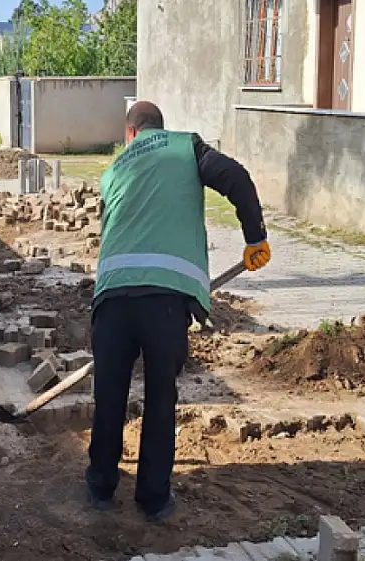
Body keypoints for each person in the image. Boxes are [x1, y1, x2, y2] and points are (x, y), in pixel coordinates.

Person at [86, 101, 272, 522]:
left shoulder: (113, 170)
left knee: (109, 395)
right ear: (158, 128)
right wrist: (254, 236)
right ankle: (153, 499)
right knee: (160, 398)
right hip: (164, 302)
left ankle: (100, 486)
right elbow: (236, 178)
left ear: (130, 133)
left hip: (112, 296)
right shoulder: (186, 148)